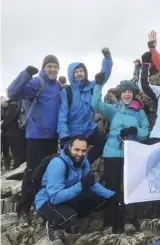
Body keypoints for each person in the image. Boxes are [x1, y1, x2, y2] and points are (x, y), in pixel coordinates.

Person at [92, 73, 149, 234]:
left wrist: (134, 131)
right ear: (121, 94)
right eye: (124, 92)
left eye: (130, 92)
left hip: (130, 154)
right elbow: (96, 104)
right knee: (111, 187)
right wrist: (98, 85)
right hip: (112, 153)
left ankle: (128, 221)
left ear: (133, 94)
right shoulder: (114, 109)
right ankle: (110, 222)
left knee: (128, 187)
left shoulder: (140, 112)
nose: (127, 94)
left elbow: (145, 132)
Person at [8, 55, 61, 226]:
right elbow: (12, 93)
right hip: (36, 136)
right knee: (31, 173)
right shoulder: (38, 82)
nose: (52, 69)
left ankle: (42, 207)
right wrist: (26, 74)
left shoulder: (58, 86)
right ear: (44, 68)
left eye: (55, 66)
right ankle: (23, 210)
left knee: (48, 174)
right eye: (49, 66)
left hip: (52, 137)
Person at [35, 136, 115, 245]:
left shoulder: (83, 162)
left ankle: (67, 216)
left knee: (102, 199)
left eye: (83, 151)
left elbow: (90, 183)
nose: (80, 154)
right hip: (46, 201)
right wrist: (80, 186)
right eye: (76, 150)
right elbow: (55, 197)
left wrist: (111, 195)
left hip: (68, 198)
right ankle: (53, 225)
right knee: (70, 217)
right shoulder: (58, 164)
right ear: (69, 148)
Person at [57, 48, 113, 164]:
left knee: (104, 141)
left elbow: (104, 74)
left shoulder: (91, 87)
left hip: (89, 130)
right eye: (76, 71)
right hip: (73, 133)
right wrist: (64, 135)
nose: (79, 73)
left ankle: (86, 162)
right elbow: (62, 115)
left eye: (81, 71)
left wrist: (107, 58)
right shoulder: (67, 92)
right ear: (71, 75)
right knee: (69, 160)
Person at [1, 99, 26, 169]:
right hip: (15, 132)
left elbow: (8, 119)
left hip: (13, 133)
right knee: (17, 152)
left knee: (17, 152)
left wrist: (2, 125)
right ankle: (16, 167)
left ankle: (17, 168)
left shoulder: (12, 105)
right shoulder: (16, 104)